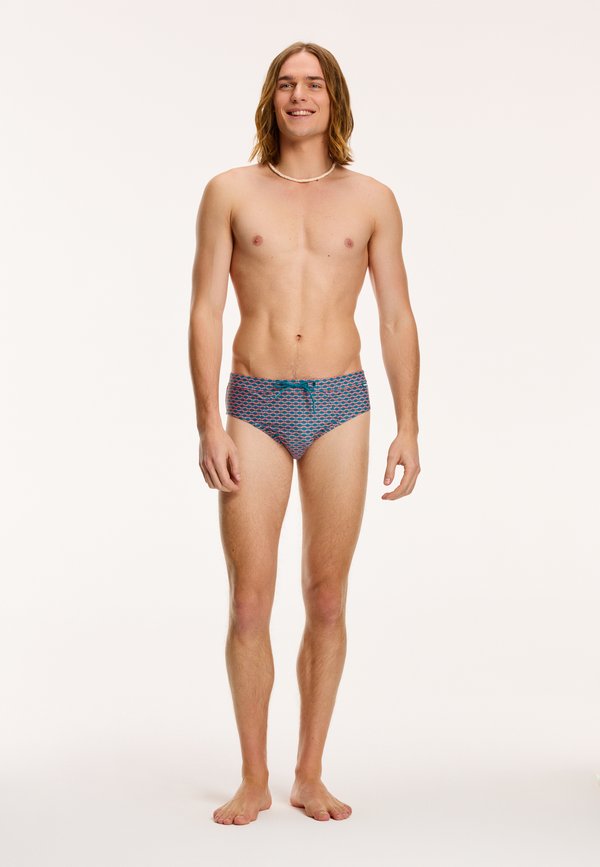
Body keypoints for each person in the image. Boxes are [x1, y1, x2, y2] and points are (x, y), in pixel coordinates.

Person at [188, 41, 421, 825]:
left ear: (334, 99)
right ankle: (253, 776)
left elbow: (395, 316)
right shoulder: (229, 191)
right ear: (271, 99)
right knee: (249, 603)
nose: (299, 95)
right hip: (253, 403)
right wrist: (207, 421)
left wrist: (409, 424)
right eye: (286, 84)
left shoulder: (373, 199)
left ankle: (309, 773)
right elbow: (205, 311)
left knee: (326, 597)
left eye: (313, 84)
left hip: (342, 403)